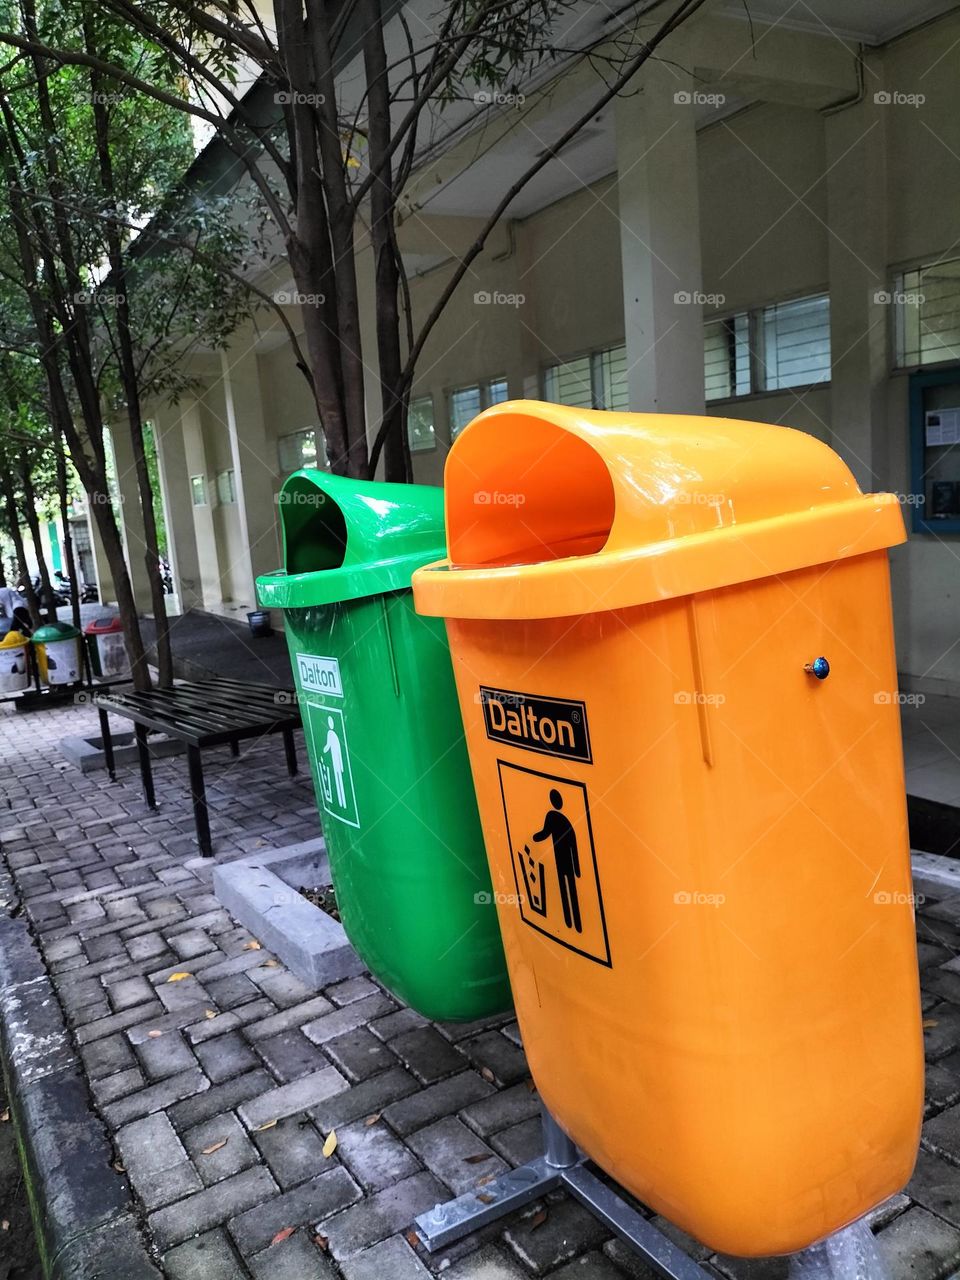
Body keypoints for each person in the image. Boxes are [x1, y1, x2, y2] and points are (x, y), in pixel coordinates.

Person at [532, 789, 582, 933]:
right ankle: (576, 924)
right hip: (567, 862)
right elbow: (574, 844)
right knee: (571, 890)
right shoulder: (566, 821)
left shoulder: (552, 816)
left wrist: (535, 838)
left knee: (564, 889)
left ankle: (569, 921)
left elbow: (545, 833)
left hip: (560, 860)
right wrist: (577, 868)